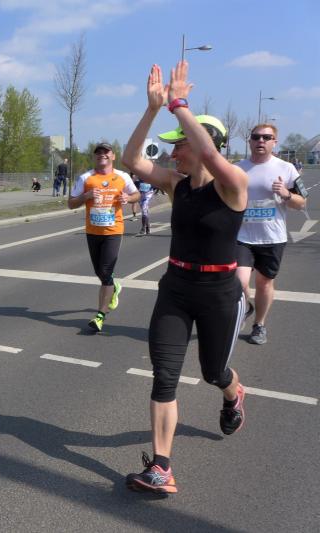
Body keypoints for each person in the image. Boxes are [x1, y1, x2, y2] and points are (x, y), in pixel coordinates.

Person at [121, 62, 249, 495]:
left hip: (220, 294)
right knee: (164, 375)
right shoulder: (177, 185)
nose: (173, 153)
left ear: (201, 142)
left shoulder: (233, 184)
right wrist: (152, 108)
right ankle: (161, 468)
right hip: (176, 288)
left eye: (179, 145)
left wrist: (179, 103)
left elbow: (212, 157)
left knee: (213, 371)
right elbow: (131, 160)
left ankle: (233, 393)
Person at [235, 123, 307, 345]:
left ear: (274, 142)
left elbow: (302, 203)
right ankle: (246, 308)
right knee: (239, 281)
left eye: (267, 137)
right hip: (242, 237)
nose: (261, 141)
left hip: (272, 237)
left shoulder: (287, 169)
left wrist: (286, 194)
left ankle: (259, 325)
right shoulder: (237, 168)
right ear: (250, 141)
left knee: (264, 283)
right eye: (256, 137)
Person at [67, 142, 139, 332]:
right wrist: (86, 196)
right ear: (94, 157)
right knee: (99, 271)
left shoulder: (122, 176)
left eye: (106, 152)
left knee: (106, 271)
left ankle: (100, 315)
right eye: (98, 152)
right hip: (93, 231)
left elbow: (136, 194)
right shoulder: (86, 178)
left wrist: (128, 198)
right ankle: (114, 287)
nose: (102, 155)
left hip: (114, 230)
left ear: (113, 156)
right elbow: (71, 203)